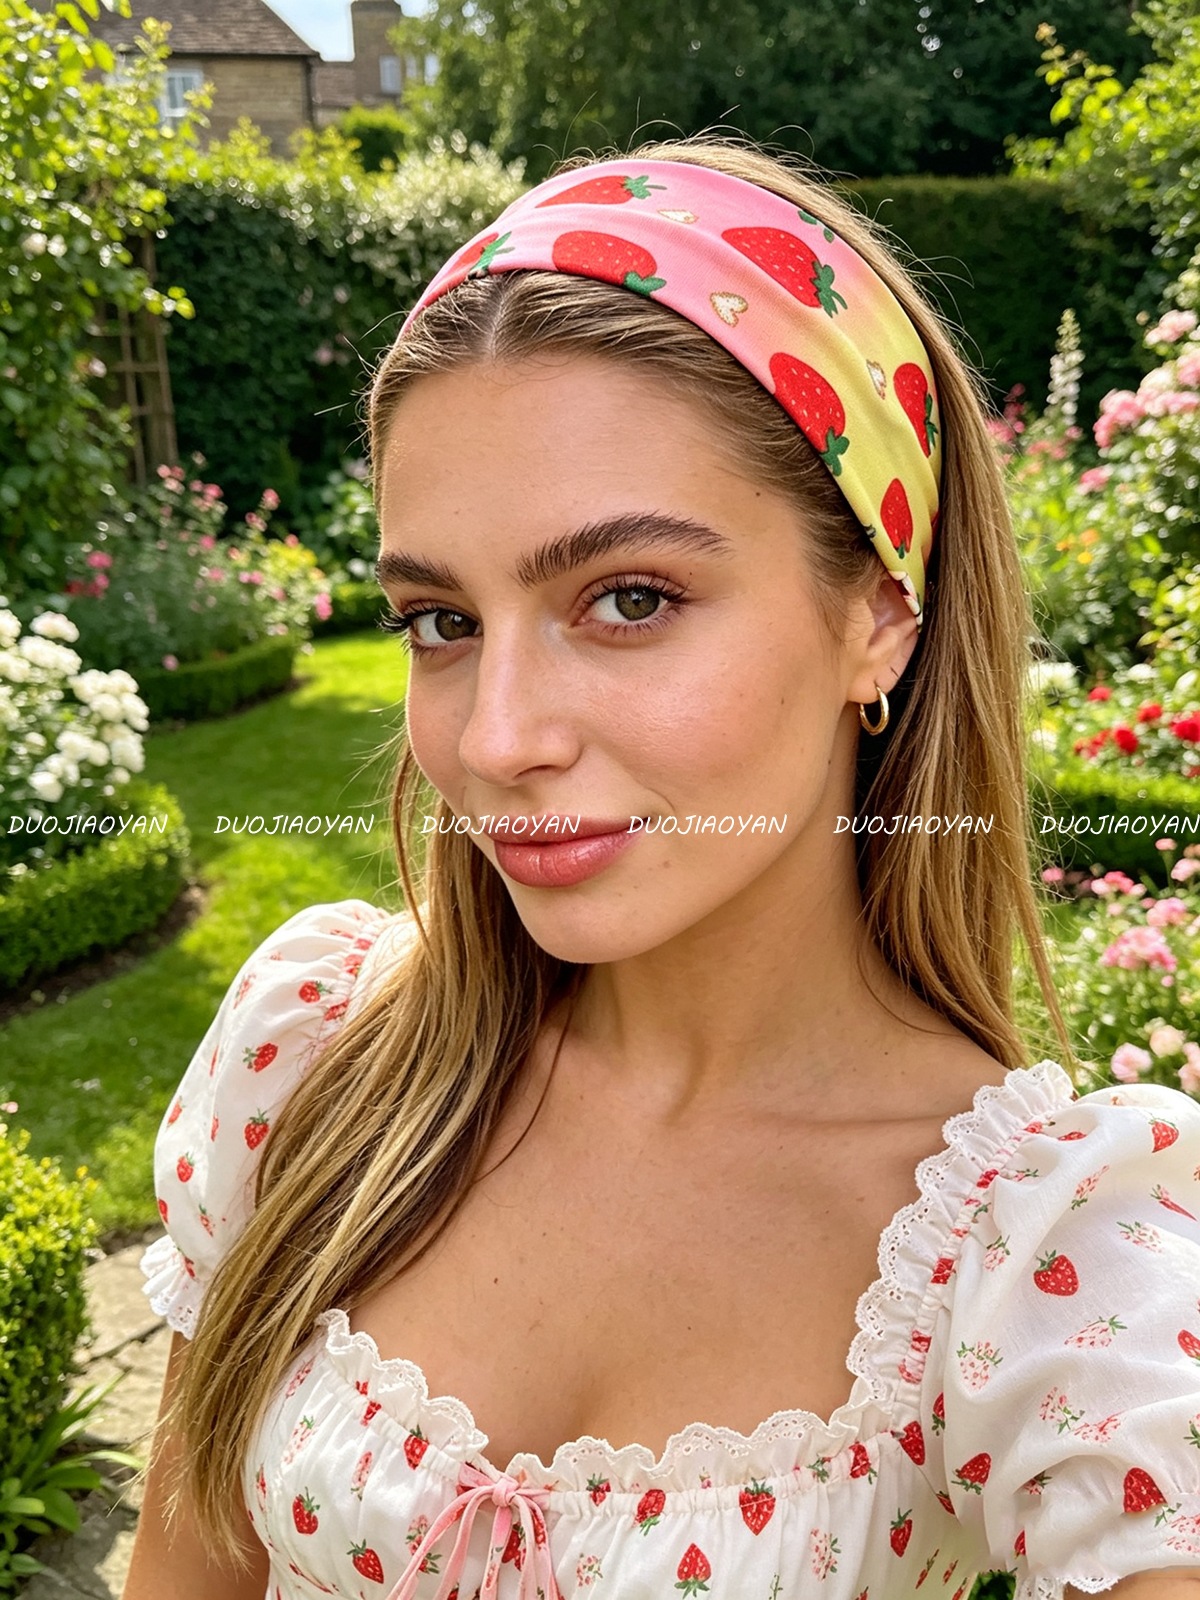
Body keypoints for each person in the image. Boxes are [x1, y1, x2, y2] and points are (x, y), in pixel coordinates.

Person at [122, 135, 1200, 1600]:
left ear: (880, 616)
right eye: (441, 621)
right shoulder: (315, 1064)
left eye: (629, 599)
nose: (496, 739)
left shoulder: (1039, 1262)